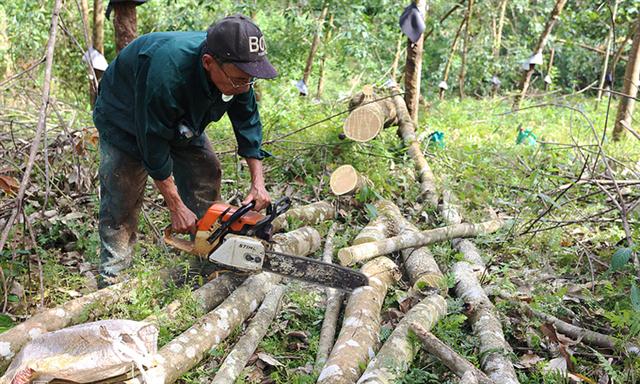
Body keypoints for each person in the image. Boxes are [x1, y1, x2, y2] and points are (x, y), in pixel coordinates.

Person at [92, 14, 276, 283]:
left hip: (183, 120)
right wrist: (175, 204)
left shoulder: (238, 72)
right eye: (239, 80)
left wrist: (258, 183)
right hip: (125, 117)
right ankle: (113, 278)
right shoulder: (167, 74)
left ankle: (208, 253)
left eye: (250, 79)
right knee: (123, 195)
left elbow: (248, 122)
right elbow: (152, 144)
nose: (245, 86)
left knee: (206, 171)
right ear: (208, 63)